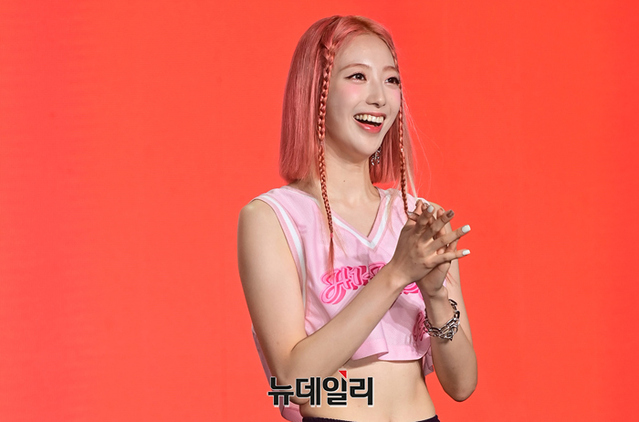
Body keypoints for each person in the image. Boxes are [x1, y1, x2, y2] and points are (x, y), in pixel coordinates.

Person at [238, 15, 477, 422]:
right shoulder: (272, 218)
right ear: (316, 91)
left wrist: (436, 296)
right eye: (357, 77)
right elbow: (293, 380)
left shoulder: (417, 218)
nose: (380, 98)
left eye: (391, 79)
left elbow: (462, 384)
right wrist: (396, 273)